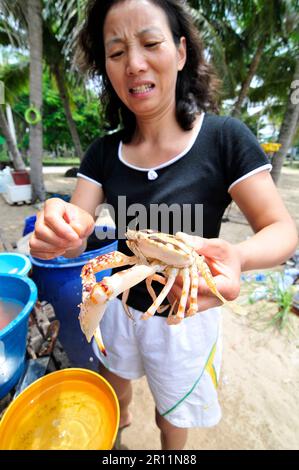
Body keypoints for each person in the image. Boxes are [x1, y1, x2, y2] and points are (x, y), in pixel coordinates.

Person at [29, 0, 298, 450]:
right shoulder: (102, 153)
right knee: (115, 378)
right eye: (116, 54)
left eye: (150, 43)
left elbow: (282, 230)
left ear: (180, 52)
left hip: (183, 311)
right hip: (119, 297)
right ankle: (121, 419)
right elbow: (78, 233)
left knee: (172, 414)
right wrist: (59, 236)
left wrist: (238, 255)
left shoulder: (225, 139)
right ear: (107, 69)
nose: (134, 64)